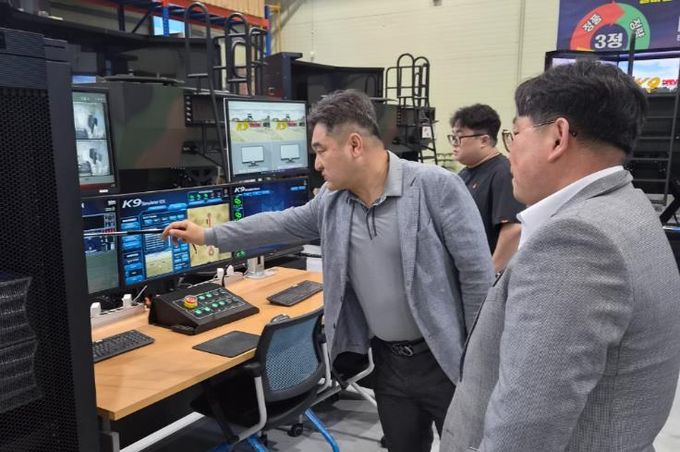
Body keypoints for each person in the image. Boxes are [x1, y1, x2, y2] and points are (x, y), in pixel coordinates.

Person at [163, 90, 494, 452]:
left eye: (321, 151)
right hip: (389, 363)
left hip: (445, 358)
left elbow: (477, 277)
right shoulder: (333, 201)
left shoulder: (435, 187)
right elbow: (279, 224)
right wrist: (208, 235)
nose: (317, 164)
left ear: (354, 145)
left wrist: (478, 360)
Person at [440, 60, 680, 451]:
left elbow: (524, 428)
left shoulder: (577, 241)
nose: (510, 151)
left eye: (515, 134)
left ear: (558, 136)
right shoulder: (629, 206)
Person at [449, 104, 524, 272]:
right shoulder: (464, 175)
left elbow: (513, 230)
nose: (454, 144)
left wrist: (490, 275)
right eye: (452, 137)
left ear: (484, 140)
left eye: (459, 138)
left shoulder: (503, 173)